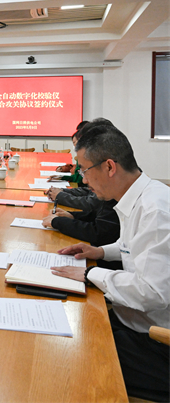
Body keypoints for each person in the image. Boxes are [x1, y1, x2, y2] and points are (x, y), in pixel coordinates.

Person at [50, 123, 169, 402]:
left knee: (69, 361)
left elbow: (152, 292)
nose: (83, 180)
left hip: (156, 340)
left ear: (109, 167)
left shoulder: (155, 210)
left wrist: (91, 275)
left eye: (84, 170)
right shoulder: (141, 195)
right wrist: (100, 252)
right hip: (134, 320)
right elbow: (133, 247)